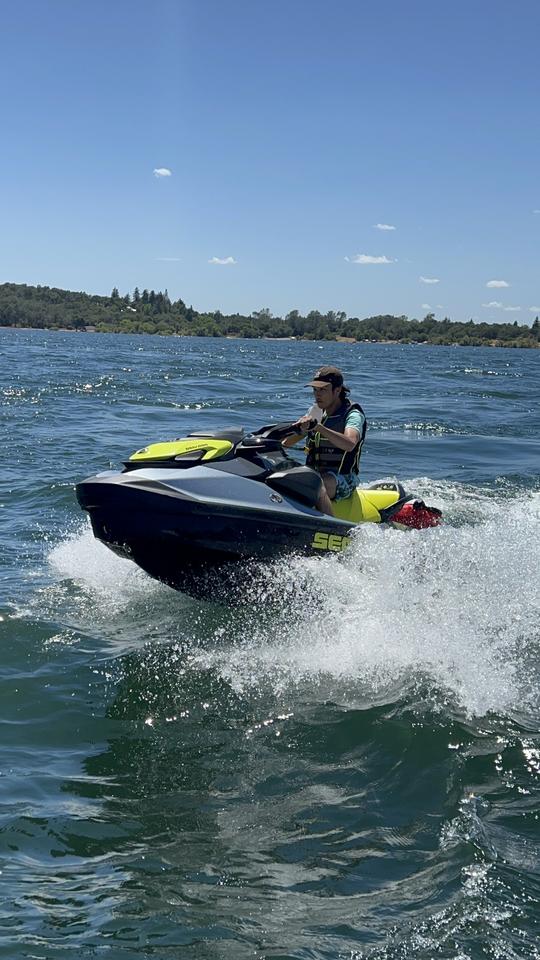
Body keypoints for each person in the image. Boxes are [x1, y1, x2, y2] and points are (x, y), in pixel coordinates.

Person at [284, 365, 366, 516]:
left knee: (317, 484)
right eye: (315, 390)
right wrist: (299, 430)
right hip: (314, 474)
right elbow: (286, 444)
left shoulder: (353, 414)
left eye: (323, 390)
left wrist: (320, 428)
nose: (317, 395)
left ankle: (332, 529)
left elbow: (350, 443)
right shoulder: (316, 411)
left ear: (337, 390)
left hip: (344, 478)